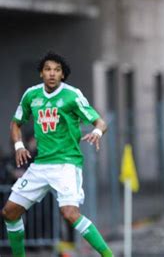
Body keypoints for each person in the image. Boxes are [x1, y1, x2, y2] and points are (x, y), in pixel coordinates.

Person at [1, 52, 113, 257]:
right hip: (40, 165)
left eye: (57, 70)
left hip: (66, 164)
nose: (52, 73)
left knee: (69, 214)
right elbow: (16, 123)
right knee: (9, 212)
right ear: (41, 73)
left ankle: (108, 255)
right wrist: (19, 146)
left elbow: (100, 122)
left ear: (62, 74)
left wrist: (97, 132)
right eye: (48, 69)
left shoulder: (72, 95)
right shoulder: (31, 95)